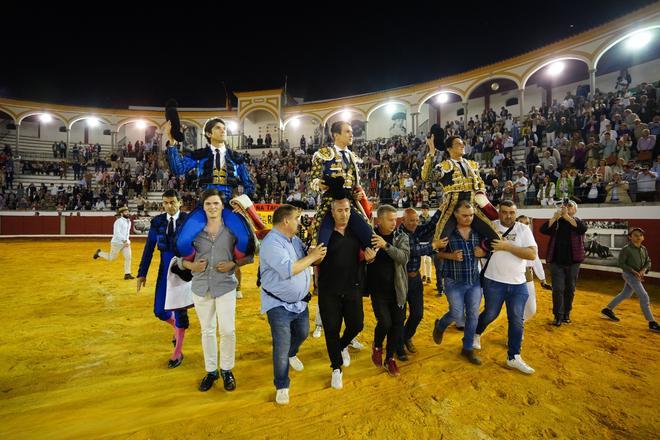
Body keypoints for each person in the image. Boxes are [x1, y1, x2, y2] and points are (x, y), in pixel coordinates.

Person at [173, 188, 254, 392]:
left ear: (222, 205)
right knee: (207, 331)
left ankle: (226, 369)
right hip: (200, 287)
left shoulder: (232, 229)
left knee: (228, 330)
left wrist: (233, 264)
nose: (212, 207)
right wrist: (191, 266)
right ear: (203, 207)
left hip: (226, 285)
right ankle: (211, 371)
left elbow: (250, 255)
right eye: (208, 203)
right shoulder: (194, 231)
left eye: (216, 203)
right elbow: (178, 260)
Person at [164, 118, 264, 261]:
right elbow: (178, 169)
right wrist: (172, 143)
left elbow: (250, 185)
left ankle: (231, 263)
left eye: (224, 128)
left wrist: (242, 203)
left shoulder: (236, 157)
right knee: (181, 242)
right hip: (205, 204)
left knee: (246, 241)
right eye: (218, 128)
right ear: (209, 134)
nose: (223, 130)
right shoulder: (200, 154)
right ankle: (200, 264)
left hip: (229, 204)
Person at [259, 204, 327, 404]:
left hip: (299, 302)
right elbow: (290, 269)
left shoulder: (294, 239)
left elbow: (307, 260)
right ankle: (282, 384)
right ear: (286, 221)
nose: (299, 221)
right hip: (277, 304)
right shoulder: (271, 243)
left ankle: (292, 353)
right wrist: (312, 257)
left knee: (303, 332)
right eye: (296, 218)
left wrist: (315, 256)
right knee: (281, 344)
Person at [473, 200, 538, 374]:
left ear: (515, 213)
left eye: (512, 212)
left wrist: (507, 246)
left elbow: (532, 254)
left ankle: (513, 357)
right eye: (504, 212)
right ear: (498, 212)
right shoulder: (490, 226)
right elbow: (478, 249)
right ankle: (476, 333)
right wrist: (481, 250)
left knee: (517, 319)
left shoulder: (523, 229)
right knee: (490, 313)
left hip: (518, 283)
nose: (508, 216)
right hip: (493, 280)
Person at [317, 195, 371, 389]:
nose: (344, 214)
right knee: (331, 330)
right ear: (332, 212)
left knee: (357, 325)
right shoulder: (324, 234)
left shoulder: (356, 233)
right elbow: (316, 260)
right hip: (328, 291)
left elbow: (366, 254)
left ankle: (342, 345)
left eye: (347, 210)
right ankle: (336, 368)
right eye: (339, 210)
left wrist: (369, 257)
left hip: (352, 289)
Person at [136, 190, 190, 368]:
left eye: (172, 202)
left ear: (179, 202)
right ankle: (177, 329)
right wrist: (142, 273)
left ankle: (178, 352)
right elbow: (149, 248)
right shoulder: (157, 222)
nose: (169, 206)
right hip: (164, 270)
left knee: (180, 311)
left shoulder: (188, 221)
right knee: (160, 311)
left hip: (184, 271)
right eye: (166, 202)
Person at [432, 201, 487, 365]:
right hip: (453, 281)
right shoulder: (447, 232)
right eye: (464, 215)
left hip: (474, 281)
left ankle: (467, 348)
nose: (468, 218)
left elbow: (487, 248)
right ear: (455, 215)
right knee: (457, 314)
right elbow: (437, 254)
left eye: (470, 215)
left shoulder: (478, 232)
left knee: (472, 316)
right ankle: (441, 325)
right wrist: (451, 256)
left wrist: (483, 252)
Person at [421, 132, 500, 246]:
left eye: (463, 144)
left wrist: (482, 195)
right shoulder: (445, 166)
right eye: (458, 144)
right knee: (440, 242)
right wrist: (432, 152)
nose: (462, 146)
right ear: (449, 149)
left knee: (496, 236)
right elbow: (427, 177)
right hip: (452, 208)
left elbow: (480, 184)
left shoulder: (472, 165)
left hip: (472, 207)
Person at [309, 121, 373, 248]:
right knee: (320, 242)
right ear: (336, 135)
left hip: (349, 201)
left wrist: (357, 194)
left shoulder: (353, 157)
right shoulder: (323, 154)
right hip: (329, 201)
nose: (351, 135)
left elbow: (355, 184)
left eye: (352, 132)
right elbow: (313, 180)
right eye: (347, 132)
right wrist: (319, 185)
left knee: (370, 238)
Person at [396, 207, 447, 359]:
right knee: (399, 316)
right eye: (411, 221)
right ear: (403, 220)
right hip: (400, 279)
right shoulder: (399, 233)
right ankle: (398, 346)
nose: (415, 223)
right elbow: (412, 250)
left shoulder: (415, 230)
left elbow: (431, 225)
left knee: (417, 314)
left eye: (416, 220)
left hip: (415, 279)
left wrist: (441, 209)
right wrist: (433, 246)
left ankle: (405, 337)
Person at [367, 204, 410, 376]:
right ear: (380, 220)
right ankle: (377, 346)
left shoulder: (401, 236)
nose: (394, 223)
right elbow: (361, 259)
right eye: (390, 220)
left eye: (395, 219)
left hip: (398, 290)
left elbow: (404, 258)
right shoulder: (369, 235)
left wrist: (386, 246)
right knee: (385, 322)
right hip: (378, 290)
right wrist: (368, 260)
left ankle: (390, 358)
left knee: (397, 326)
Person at [601, 228, 660, 333]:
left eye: (640, 235)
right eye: (636, 235)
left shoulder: (643, 249)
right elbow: (621, 263)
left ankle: (607, 309)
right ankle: (652, 322)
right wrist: (634, 272)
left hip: (637, 275)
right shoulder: (626, 249)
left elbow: (648, 261)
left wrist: (643, 270)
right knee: (644, 296)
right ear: (630, 237)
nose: (638, 237)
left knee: (625, 294)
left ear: (643, 237)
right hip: (629, 275)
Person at [540, 200, 587, 326]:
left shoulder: (577, 221)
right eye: (565, 206)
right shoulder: (557, 222)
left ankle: (566, 313)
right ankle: (558, 316)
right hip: (556, 261)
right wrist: (555, 217)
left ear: (575, 210)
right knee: (558, 289)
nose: (566, 208)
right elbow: (543, 229)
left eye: (570, 206)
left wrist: (566, 216)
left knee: (570, 289)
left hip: (573, 262)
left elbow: (582, 229)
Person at [516, 215, 551, 323]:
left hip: (527, 275)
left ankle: (518, 324)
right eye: (521, 222)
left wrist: (542, 279)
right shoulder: (510, 238)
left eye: (526, 223)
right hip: (512, 276)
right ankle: (516, 330)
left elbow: (536, 260)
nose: (523, 225)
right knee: (514, 307)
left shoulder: (531, 240)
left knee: (531, 309)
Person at [93, 206, 134, 280]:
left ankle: (127, 274)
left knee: (128, 257)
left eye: (128, 211)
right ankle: (99, 253)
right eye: (125, 212)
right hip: (117, 243)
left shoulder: (129, 222)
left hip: (125, 243)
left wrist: (127, 241)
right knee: (111, 258)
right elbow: (117, 233)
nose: (128, 213)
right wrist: (124, 240)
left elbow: (127, 233)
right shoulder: (118, 222)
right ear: (121, 214)